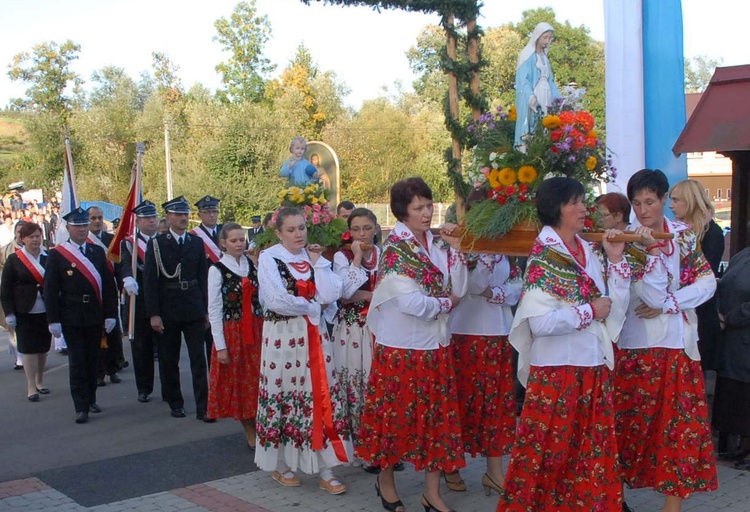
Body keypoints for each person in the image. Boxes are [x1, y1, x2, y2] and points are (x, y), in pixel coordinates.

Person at [497, 177, 630, 511]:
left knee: (588, 456)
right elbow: (540, 324)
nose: (585, 208)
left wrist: (615, 260)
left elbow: (613, 306)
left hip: (590, 367)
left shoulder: (586, 250)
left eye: (583, 201)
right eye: (576, 202)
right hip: (558, 372)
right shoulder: (544, 258)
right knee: (550, 457)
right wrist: (588, 311)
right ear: (557, 209)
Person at [356, 177, 469, 512]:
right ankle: (386, 480)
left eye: (428, 205)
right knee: (394, 421)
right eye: (418, 207)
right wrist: (446, 303)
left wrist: (458, 250)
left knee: (436, 422)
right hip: (401, 349)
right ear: (402, 213)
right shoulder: (396, 250)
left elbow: (460, 286)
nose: (426, 213)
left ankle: (432, 493)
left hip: (435, 346)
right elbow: (412, 305)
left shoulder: (438, 244)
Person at [616, 169, 718, 512]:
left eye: (650, 201)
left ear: (663, 201)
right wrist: (650, 253)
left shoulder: (683, 236)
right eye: (636, 203)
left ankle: (671, 505)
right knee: (631, 426)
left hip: (679, 345)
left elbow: (707, 283)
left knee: (679, 429)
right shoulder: (627, 239)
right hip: (637, 345)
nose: (643, 210)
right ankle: (618, 497)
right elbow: (647, 292)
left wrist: (672, 305)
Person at [256, 206, 351, 495]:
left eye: (302, 228)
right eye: (291, 229)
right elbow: (275, 300)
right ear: (278, 232)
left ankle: (326, 467)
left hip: (314, 336)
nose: (298, 234)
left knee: (320, 394)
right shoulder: (269, 257)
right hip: (283, 337)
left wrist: (317, 262)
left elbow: (333, 292)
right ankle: (281, 462)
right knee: (284, 394)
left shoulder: (313, 257)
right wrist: (312, 305)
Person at [448, 249, 522, 496]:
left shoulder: (506, 251)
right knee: (462, 401)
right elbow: (471, 286)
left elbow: (518, 286)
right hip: (467, 332)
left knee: (497, 405)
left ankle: (494, 470)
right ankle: (450, 463)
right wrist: (486, 259)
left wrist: (496, 293)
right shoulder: (463, 248)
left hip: (499, 332)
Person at [43, 207, 118, 424]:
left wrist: (110, 314)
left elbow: (108, 286)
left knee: (93, 359)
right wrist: (53, 319)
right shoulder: (58, 254)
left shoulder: (96, 252)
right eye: (78, 226)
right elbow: (50, 289)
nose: (83, 229)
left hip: (94, 313)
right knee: (77, 361)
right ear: (68, 228)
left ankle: (91, 398)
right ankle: (80, 405)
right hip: (71, 315)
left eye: (85, 225)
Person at [144, 196, 211, 421]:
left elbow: (202, 276)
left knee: (198, 359)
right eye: (178, 214)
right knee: (169, 358)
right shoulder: (157, 243)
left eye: (185, 214)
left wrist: (207, 309)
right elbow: (150, 281)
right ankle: (176, 401)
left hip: (193, 305)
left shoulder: (195, 243)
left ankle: (204, 406)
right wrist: (153, 313)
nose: (183, 218)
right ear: (169, 217)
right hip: (168, 306)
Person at [331, 208, 380, 470]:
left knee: (377, 385)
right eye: (357, 229)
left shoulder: (384, 254)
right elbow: (346, 292)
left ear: (375, 228)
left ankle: (381, 446)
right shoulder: (343, 256)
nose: (362, 234)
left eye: (367, 228)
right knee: (355, 384)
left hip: (381, 328)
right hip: (352, 329)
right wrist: (358, 259)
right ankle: (361, 448)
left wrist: (365, 294)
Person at [207, 223, 263, 448]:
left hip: (257, 328)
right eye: (234, 240)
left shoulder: (251, 264)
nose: (240, 244)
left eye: (242, 239)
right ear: (223, 243)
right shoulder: (217, 269)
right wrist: (220, 345)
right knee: (240, 383)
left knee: (258, 380)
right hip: (234, 331)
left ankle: (262, 425)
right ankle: (250, 430)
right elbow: (214, 309)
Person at [668, 179, 724, 371]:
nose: (671, 205)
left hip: (700, 311)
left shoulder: (711, 233)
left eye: (676, 200)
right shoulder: (675, 232)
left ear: (690, 201)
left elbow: (702, 274)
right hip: (678, 310)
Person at [713, 228, 750, 470]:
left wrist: (732, 317)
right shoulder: (743, 255)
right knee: (735, 394)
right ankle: (739, 446)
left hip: (744, 332)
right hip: (732, 340)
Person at [1, 223, 50, 401]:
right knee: (29, 349)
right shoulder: (14, 260)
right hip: (24, 310)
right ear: (23, 239)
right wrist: (9, 313)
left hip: (45, 310)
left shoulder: (48, 257)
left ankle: (40, 380)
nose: (35, 240)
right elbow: (5, 289)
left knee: (43, 349)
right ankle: (31, 386)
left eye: (38, 236)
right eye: (31, 237)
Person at [120, 200, 159, 403]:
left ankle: (171, 389)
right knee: (141, 348)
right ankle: (143, 387)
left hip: (162, 301)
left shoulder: (163, 239)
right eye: (146, 218)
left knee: (166, 349)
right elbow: (125, 263)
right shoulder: (129, 243)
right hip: (140, 300)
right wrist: (127, 277)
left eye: (153, 217)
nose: (151, 221)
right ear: (138, 221)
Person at [87, 206, 125, 385]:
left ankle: (113, 368)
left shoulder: (112, 240)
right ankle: (98, 372)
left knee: (113, 333)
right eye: (93, 218)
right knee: (96, 335)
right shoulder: (85, 244)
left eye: (100, 218)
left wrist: (123, 284)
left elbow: (119, 264)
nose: (97, 221)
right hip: (93, 295)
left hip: (111, 292)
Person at [514, 21, 562, 148]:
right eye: (545, 37)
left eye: (549, 38)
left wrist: (559, 100)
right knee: (533, 122)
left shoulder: (545, 58)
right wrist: (530, 96)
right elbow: (522, 80)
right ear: (537, 36)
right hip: (535, 92)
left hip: (546, 93)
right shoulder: (527, 55)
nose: (547, 41)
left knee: (546, 124)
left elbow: (550, 81)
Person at [190, 195, 223, 368]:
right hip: (207, 293)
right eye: (207, 212)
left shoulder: (226, 232)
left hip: (228, 292)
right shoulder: (194, 237)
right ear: (199, 214)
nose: (212, 215)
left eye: (214, 211)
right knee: (210, 342)